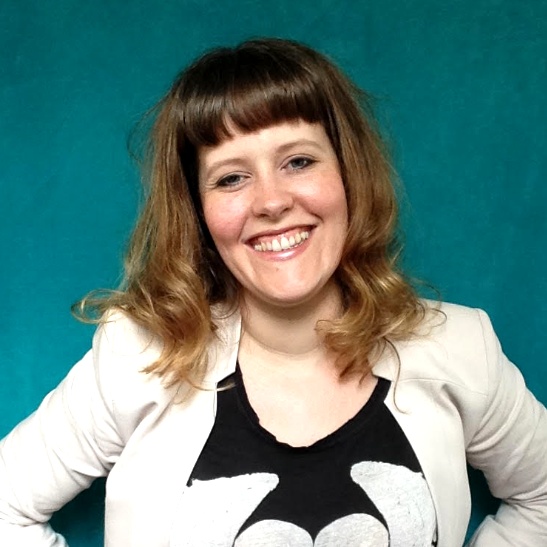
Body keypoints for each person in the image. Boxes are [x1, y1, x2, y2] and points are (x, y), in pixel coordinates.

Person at [0, 37, 546, 547]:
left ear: (348, 174)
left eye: (298, 161)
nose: (271, 201)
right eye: (231, 178)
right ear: (198, 211)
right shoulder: (138, 356)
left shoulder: (460, 349)